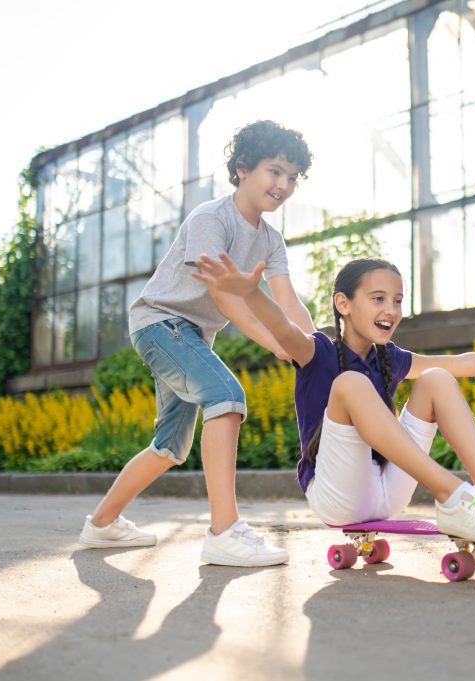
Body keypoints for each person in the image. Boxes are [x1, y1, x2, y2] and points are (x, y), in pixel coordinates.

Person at [193, 255, 475, 543]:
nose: (391, 310)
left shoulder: (390, 358)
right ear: (343, 304)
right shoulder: (315, 352)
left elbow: (463, 362)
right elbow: (282, 325)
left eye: (397, 300)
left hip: (387, 492)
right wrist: (251, 294)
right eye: (378, 299)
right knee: (350, 384)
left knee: (436, 378)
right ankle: (453, 496)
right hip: (336, 495)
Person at [78, 120, 316, 567]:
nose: (283, 185)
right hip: (160, 325)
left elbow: (288, 304)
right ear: (242, 168)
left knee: (170, 446)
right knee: (227, 396)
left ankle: (103, 524)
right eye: (274, 171)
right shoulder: (212, 219)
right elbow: (224, 297)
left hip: (190, 336)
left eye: (292, 177)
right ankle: (224, 532)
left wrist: (317, 345)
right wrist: (274, 343)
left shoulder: (271, 240)